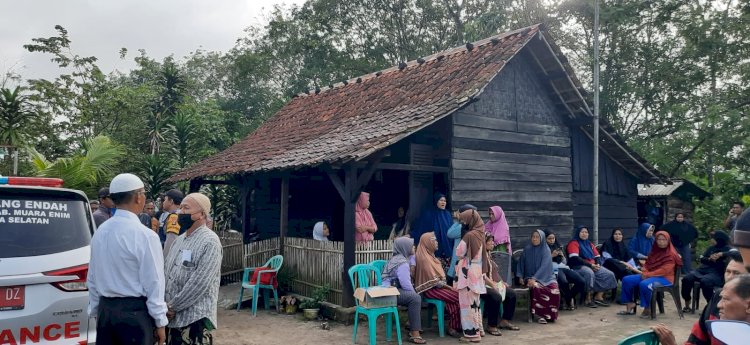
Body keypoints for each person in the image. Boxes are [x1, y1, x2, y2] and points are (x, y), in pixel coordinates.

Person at [87, 173, 167, 345]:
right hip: (134, 315)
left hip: (105, 312)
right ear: (138, 197)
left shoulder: (100, 232)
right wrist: (160, 321)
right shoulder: (145, 236)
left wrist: (95, 311)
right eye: (143, 193)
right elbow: (154, 282)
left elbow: (92, 276)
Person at [164, 192, 222, 345]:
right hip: (172, 317)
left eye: (186, 208)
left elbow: (200, 283)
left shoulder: (210, 242)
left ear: (201, 214)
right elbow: (167, 271)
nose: (180, 212)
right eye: (180, 208)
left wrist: (173, 306)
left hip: (194, 318)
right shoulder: (179, 240)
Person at [652, 262, 750, 345]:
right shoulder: (715, 302)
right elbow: (696, 341)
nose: (719, 305)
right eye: (728, 271)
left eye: (737, 274)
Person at [618, 231, 681, 318]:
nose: (661, 241)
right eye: (659, 239)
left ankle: (648, 307)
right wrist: (645, 269)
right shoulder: (654, 251)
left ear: (668, 241)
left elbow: (664, 270)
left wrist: (647, 275)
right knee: (627, 280)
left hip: (665, 278)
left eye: (664, 239)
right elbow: (647, 264)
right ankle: (630, 303)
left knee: (644, 284)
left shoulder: (671, 254)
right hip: (649, 275)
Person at [414, 232, 462, 338]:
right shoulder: (424, 259)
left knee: (456, 298)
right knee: (458, 296)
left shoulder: (431, 256)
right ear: (427, 243)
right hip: (430, 290)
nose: (436, 242)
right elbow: (435, 282)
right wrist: (451, 288)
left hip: (436, 288)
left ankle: (455, 326)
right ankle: (454, 327)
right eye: (434, 240)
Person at [381, 237, 426, 344]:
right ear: (404, 247)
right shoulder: (402, 263)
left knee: (416, 295)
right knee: (415, 298)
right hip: (389, 293)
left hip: (390, 289)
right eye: (411, 245)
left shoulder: (397, 258)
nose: (414, 247)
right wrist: (414, 293)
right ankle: (414, 333)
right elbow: (406, 285)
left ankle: (411, 323)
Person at [454, 209, 487, 343]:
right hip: (477, 273)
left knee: (466, 305)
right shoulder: (481, 234)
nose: (463, 222)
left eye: (464, 220)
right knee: (475, 303)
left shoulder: (469, 235)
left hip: (467, 273)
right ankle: (479, 329)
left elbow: (459, 252)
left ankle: (472, 334)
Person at [566, 225, 618, 307]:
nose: (584, 234)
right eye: (582, 232)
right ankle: (588, 298)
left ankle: (599, 296)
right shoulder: (573, 243)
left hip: (592, 265)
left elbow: (597, 256)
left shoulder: (589, 244)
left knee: (609, 274)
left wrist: (597, 264)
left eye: (586, 232)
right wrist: (590, 265)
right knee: (589, 273)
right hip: (578, 267)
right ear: (578, 233)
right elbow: (575, 258)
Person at [682, 230, 732, 311]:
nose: (711, 240)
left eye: (713, 238)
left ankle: (710, 306)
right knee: (686, 279)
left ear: (719, 239)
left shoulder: (728, 249)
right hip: (702, 270)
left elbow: (735, 254)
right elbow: (702, 259)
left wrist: (720, 256)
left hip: (716, 273)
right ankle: (687, 303)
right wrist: (710, 259)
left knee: (706, 281)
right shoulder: (711, 248)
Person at [518, 229, 560, 324]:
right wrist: (520, 276)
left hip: (547, 277)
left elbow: (544, 266)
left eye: (537, 237)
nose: (535, 239)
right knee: (537, 287)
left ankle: (551, 315)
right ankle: (540, 315)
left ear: (542, 239)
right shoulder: (527, 249)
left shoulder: (546, 249)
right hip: (530, 276)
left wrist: (535, 278)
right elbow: (521, 263)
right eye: (533, 237)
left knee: (555, 290)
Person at [482, 233, 520, 334]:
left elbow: (494, 273)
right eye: (488, 241)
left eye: (492, 241)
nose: (491, 243)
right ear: (483, 243)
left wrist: (502, 282)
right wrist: (492, 284)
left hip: (492, 283)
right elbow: (481, 275)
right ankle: (491, 325)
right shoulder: (480, 256)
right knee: (496, 296)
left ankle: (505, 321)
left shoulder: (489, 255)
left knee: (511, 293)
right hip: (481, 285)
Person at [544, 230, 586, 310]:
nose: (552, 240)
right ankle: (568, 301)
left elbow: (564, 262)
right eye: (549, 239)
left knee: (581, 281)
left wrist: (562, 256)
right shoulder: (542, 248)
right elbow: (542, 263)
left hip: (562, 267)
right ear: (545, 239)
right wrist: (551, 256)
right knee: (564, 282)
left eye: (553, 238)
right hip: (551, 268)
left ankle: (569, 298)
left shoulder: (557, 245)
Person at [412, 193, 453, 262]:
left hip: (446, 247)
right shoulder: (429, 214)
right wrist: (411, 235)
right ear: (436, 201)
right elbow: (422, 229)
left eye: (445, 201)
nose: (443, 202)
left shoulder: (447, 215)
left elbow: (451, 230)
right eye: (441, 200)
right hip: (433, 248)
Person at [447, 204, 477, 285]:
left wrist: (458, 221)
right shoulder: (474, 225)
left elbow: (449, 233)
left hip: (459, 261)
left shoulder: (462, 227)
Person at [161, 189, 184, 255]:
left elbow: (171, 241)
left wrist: (165, 262)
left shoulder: (174, 217)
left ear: (171, 201)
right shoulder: (181, 214)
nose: (163, 202)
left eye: (165, 200)